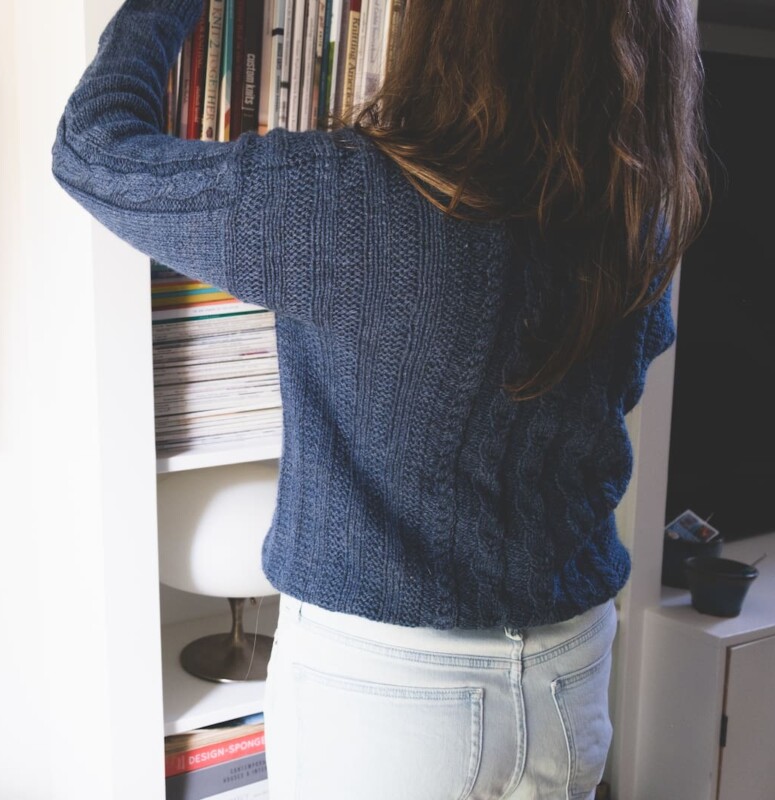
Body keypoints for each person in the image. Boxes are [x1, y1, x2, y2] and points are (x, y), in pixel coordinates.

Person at [52, 0, 709, 797]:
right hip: (572, 673)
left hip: (391, 696)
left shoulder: (347, 197)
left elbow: (93, 150)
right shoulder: (636, 211)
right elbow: (624, 379)